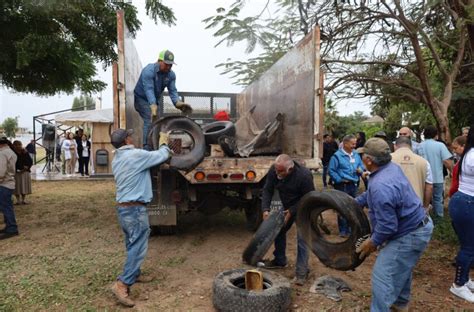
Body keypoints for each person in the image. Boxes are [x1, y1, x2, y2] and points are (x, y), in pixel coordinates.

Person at [355, 138, 433, 311]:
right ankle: (400, 303)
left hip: (409, 233)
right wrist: (353, 204)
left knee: (382, 276)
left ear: (369, 160)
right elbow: (371, 195)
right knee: (401, 266)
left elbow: (388, 226)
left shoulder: (381, 185)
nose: (361, 158)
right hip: (417, 226)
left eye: (363, 155)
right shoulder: (390, 169)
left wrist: (373, 242)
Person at [110, 128, 171, 307]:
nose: (132, 137)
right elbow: (162, 155)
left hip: (123, 209)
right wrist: (164, 142)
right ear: (127, 141)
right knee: (138, 246)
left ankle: (135, 274)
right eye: (130, 136)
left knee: (131, 243)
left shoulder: (118, 158)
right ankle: (122, 284)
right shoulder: (135, 155)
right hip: (136, 210)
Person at [261, 154, 314, 285]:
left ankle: (301, 273)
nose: (277, 173)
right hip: (287, 206)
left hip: (304, 207)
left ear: (289, 170)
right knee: (279, 230)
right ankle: (280, 260)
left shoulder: (304, 176)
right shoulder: (275, 170)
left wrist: (292, 211)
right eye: (276, 170)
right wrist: (265, 209)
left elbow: (309, 198)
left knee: (302, 239)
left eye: (280, 171)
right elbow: (267, 190)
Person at [134, 49, 192, 149]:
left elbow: (172, 90)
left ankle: (156, 146)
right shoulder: (148, 71)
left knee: (158, 123)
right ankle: (146, 147)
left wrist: (177, 103)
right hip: (141, 99)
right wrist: (152, 105)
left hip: (155, 100)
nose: (169, 67)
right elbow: (149, 89)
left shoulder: (171, 75)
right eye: (166, 64)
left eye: (171, 65)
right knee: (150, 117)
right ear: (159, 61)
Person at [448, 126, 474, 302]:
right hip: (467, 203)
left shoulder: (470, 152)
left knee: (470, 245)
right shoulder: (472, 155)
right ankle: (458, 285)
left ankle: (465, 278)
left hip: (465, 202)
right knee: (469, 247)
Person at [328, 134, 365, 236]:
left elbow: (361, 166)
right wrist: (339, 179)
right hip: (342, 186)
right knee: (342, 207)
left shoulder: (356, 155)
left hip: (354, 185)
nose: (354, 145)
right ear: (345, 144)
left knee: (355, 207)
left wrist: (360, 170)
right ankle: (343, 230)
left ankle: (352, 228)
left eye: (355, 143)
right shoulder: (337, 156)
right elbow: (331, 170)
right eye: (352, 144)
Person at [418, 125, 453, 218]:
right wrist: (452, 171)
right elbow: (446, 161)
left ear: (424, 135)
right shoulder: (440, 145)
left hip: (423, 179)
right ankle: (439, 220)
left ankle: (423, 218)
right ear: (436, 135)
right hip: (437, 178)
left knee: (422, 198)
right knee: (438, 199)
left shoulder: (419, 146)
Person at [392, 136, 433, 210]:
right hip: (416, 207)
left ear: (395, 146)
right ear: (411, 147)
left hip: (392, 206)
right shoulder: (424, 162)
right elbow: (429, 187)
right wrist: (426, 206)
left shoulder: (386, 160)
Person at [0, 137, 19, 239]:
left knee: (6, 207)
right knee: (7, 206)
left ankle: (12, 228)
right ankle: (9, 226)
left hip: (3, 183)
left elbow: (1, 171)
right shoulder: (11, 152)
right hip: (9, 182)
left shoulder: (2, 153)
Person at [12, 140, 33, 205]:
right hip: (17, 172)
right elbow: (12, 163)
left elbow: (30, 161)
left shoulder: (25, 152)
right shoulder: (13, 153)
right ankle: (18, 200)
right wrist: (19, 169)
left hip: (25, 172)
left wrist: (27, 167)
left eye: (19, 145)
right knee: (17, 186)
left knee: (24, 186)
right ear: (14, 146)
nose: (18, 146)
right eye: (16, 145)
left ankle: (23, 199)